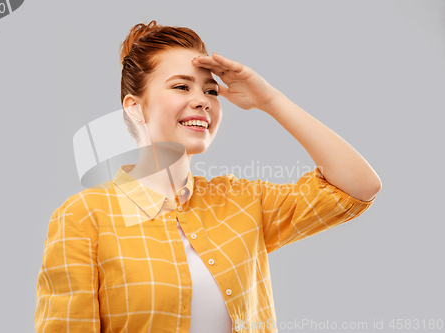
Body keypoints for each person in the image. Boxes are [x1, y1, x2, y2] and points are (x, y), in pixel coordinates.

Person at [34, 20, 382, 333]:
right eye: (181, 87)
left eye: (210, 90)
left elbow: (358, 187)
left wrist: (270, 100)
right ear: (134, 107)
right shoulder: (85, 217)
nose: (202, 100)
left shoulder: (242, 201)